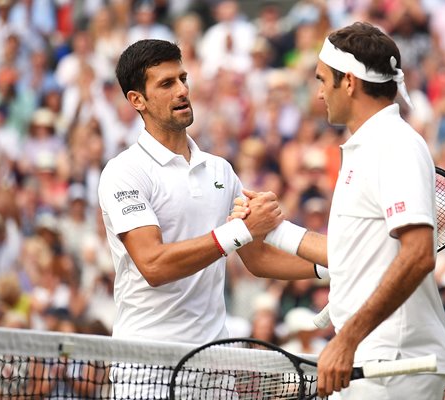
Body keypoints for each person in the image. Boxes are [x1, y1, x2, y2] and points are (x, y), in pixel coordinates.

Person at [236, 22, 445, 399]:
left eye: (323, 80)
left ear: (349, 82)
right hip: (372, 359)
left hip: (393, 363)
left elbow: (419, 255)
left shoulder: (394, 144)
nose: (319, 93)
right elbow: (349, 255)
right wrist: (272, 228)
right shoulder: (369, 145)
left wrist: (347, 339)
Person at [98, 38, 318, 397]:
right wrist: (239, 230)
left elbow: (258, 258)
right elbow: (153, 265)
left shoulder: (221, 170)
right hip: (147, 368)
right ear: (136, 100)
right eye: (167, 83)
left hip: (214, 366)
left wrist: (330, 267)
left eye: (183, 78)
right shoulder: (124, 172)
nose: (182, 90)